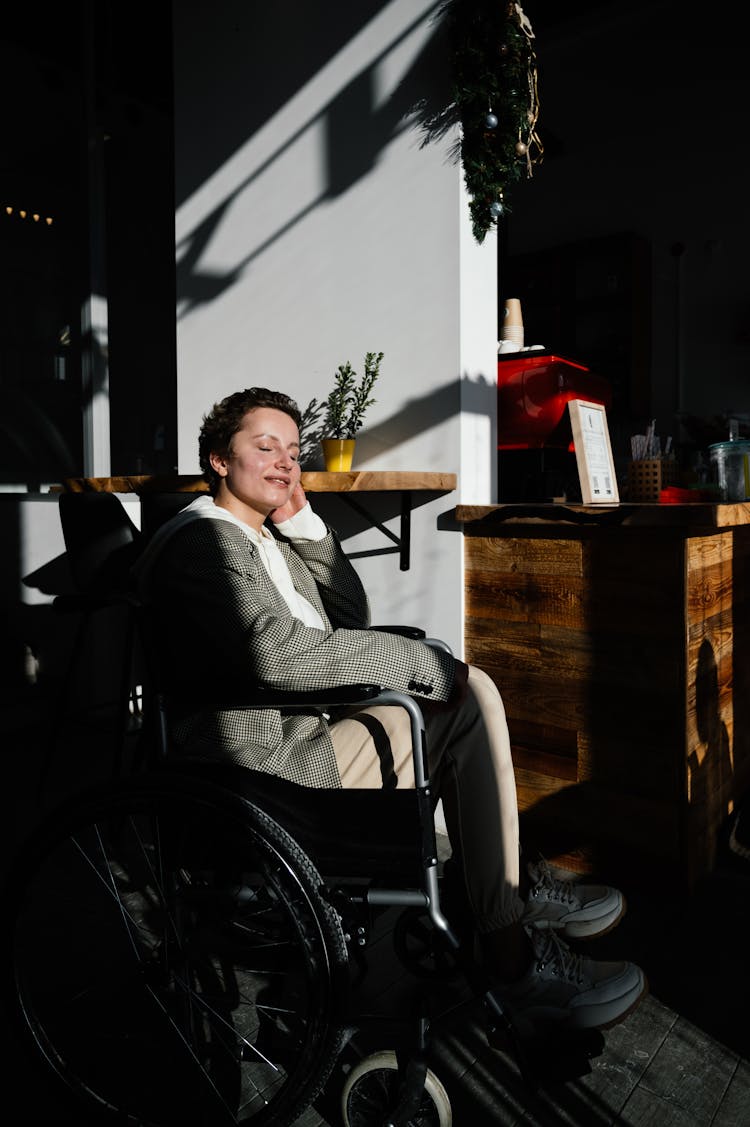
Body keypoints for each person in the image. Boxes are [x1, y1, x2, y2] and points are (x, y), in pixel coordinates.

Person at [134, 387, 647, 1035]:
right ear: (217, 459)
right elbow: (271, 654)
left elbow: (349, 617)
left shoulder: (263, 537)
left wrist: (304, 526)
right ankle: (512, 952)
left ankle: (512, 894)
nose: (284, 462)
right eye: (264, 447)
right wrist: (420, 667)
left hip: (304, 732)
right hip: (264, 760)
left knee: (471, 692)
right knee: (459, 697)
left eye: (293, 451)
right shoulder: (204, 543)